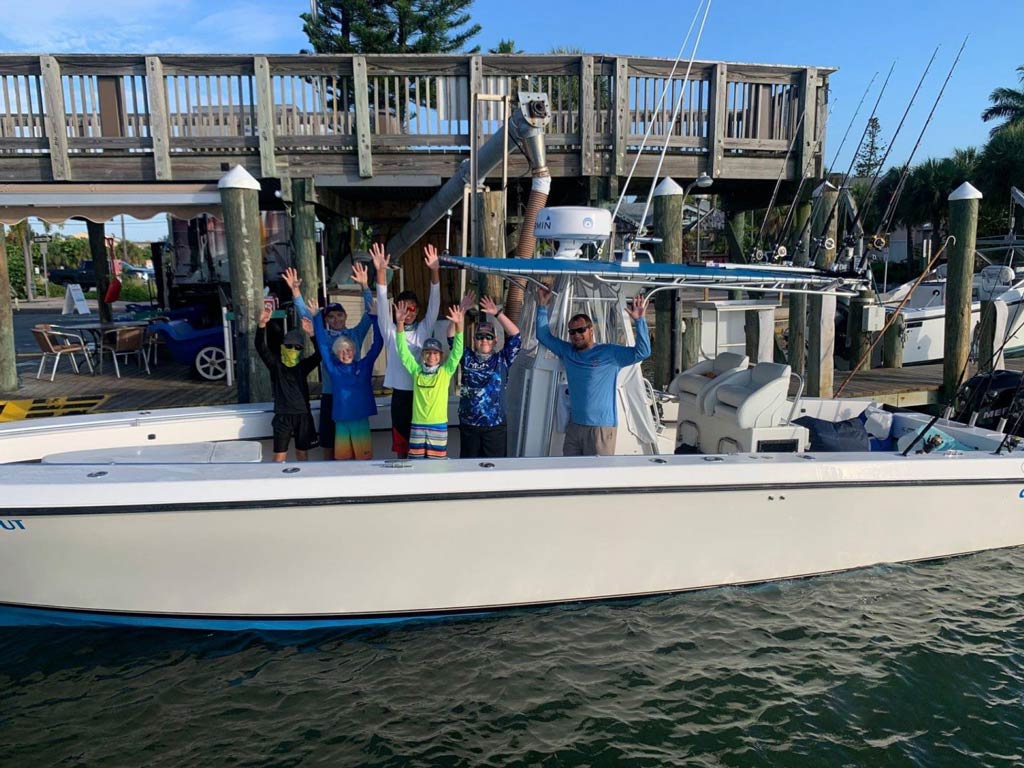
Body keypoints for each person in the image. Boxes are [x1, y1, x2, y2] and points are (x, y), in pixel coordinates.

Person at [535, 286, 651, 456]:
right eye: (572, 332)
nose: (576, 335)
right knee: (570, 474)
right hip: (574, 426)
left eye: (581, 330)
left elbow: (643, 352)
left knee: (598, 478)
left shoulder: (610, 352)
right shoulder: (567, 352)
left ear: (591, 330)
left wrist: (640, 321)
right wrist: (542, 306)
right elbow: (543, 336)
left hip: (601, 428)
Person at [283, 264, 374, 460]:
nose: (336, 319)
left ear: (346, 316)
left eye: (339, 315)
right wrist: (296, 291)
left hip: (353, 398)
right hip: (330, 396)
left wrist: (365, 287)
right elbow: (307, 316)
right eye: (331, 317)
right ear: (326, 320)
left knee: (358, 448)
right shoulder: (323, 336)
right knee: (329, 444)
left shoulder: (355, 333)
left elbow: (371, 312)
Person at [372, 241, 441, 458]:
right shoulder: (390, 331)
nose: (408, 312)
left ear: (417, 310)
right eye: (403, 307)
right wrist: (381, 272)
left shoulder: (423, 329)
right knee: (402, 448)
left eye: (412, 308)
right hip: (400, 396)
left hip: (424, 394)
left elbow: (434, 305)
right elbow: (382, 303)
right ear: (396, 309)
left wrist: (435, 271)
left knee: (424, 448)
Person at [306, 294, 384, 460]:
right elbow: (321, 344)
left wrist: (376, 318)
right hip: (341, 422)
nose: (345, 353)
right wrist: (316, 318)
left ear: (354, 351)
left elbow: (378, 344)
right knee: (342, 462)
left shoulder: (364, 366)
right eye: (341, 351)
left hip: (360, 420)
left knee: (364, 461)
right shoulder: (333, 370)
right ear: (336, 354)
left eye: (348, 350)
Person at [448, 293, 522, 458]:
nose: (484, 340)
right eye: (480, 337)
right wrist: (461, 312)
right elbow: (451, 337)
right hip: (469, 425)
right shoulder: (465, 356)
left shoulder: (502, 359)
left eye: (488, 337)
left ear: (495, 340)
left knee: (495, 472)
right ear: (474, 340)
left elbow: (516, 336)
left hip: (495, 427)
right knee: (469, 471)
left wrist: (497, 313)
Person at [395, 301, 463, 459]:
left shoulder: (445, 372)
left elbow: (458, 351)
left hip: (438, 426)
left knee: (436, 466)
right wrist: (399, 323)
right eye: (428, 353)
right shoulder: (416, 370)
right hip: (417, 425)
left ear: (441, 356)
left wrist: (459, 324)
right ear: (423, 354)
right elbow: (403, 351)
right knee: (417, 465)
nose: (432, 356)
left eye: (435, 353)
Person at [256, 307, 321, 462]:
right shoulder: (275, 366)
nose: (293, 349)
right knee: (279, 457)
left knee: (302, 455)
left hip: (303, 415)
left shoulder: (303, 366)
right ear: (282, 347)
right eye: (289, 346)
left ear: (301, 350)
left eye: (297, 347)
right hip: (282, 416)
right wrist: (261, 325)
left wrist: (312, 333)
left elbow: (320, 354)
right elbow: (261, 347)